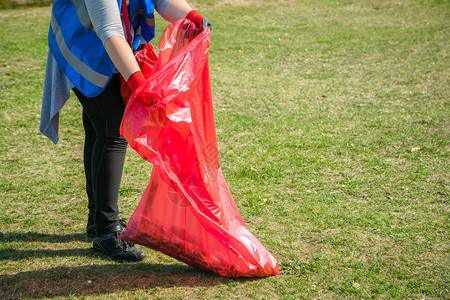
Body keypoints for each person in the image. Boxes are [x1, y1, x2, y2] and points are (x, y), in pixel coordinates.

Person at [40, 0, 211, 262]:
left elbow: (162, 1)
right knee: (111, 131)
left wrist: (192, 16)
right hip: (84, 46)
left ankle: (97, 220)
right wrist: (138, 82)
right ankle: (107, 231)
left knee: (98, 127)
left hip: (109, 44)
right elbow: (110, 31)